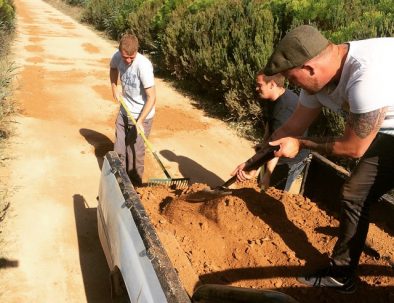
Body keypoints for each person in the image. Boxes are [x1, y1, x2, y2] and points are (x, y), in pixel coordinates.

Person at [232, 25, 394, 293]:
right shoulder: (316, 82)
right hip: (388, 129)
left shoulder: (365, 79)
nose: (292, 86)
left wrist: (302, 145)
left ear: (309, 69)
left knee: (355, 192)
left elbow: (353, 148)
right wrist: (252, 163)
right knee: (355, 193)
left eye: (292, 79)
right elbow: (291, 128)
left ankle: (342, 275)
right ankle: (343, 274)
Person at [110, 33, 156, 186]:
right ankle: (119, 183)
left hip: (142, 115)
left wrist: (141, 121)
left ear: (137, 51)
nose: (128, 61)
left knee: (134, 153)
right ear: (120, 51)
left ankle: (135, 187)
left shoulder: (143, 66)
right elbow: (113, 69)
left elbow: (152, 97)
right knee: (119, 150)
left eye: (132, 57)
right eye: (125, 58)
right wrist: (114, 87)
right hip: (125, 112)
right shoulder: (117, 56)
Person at [254, 71, 310, 192]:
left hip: (289, 159)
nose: (256, 88)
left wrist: (268, 175)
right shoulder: (271, 98)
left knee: (272, 194)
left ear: (272, 85)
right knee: (261, 188)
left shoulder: (285, 108)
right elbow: (270, 124)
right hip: (274, 152)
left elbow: (277, 147)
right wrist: (264, 145)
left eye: (259, 85)